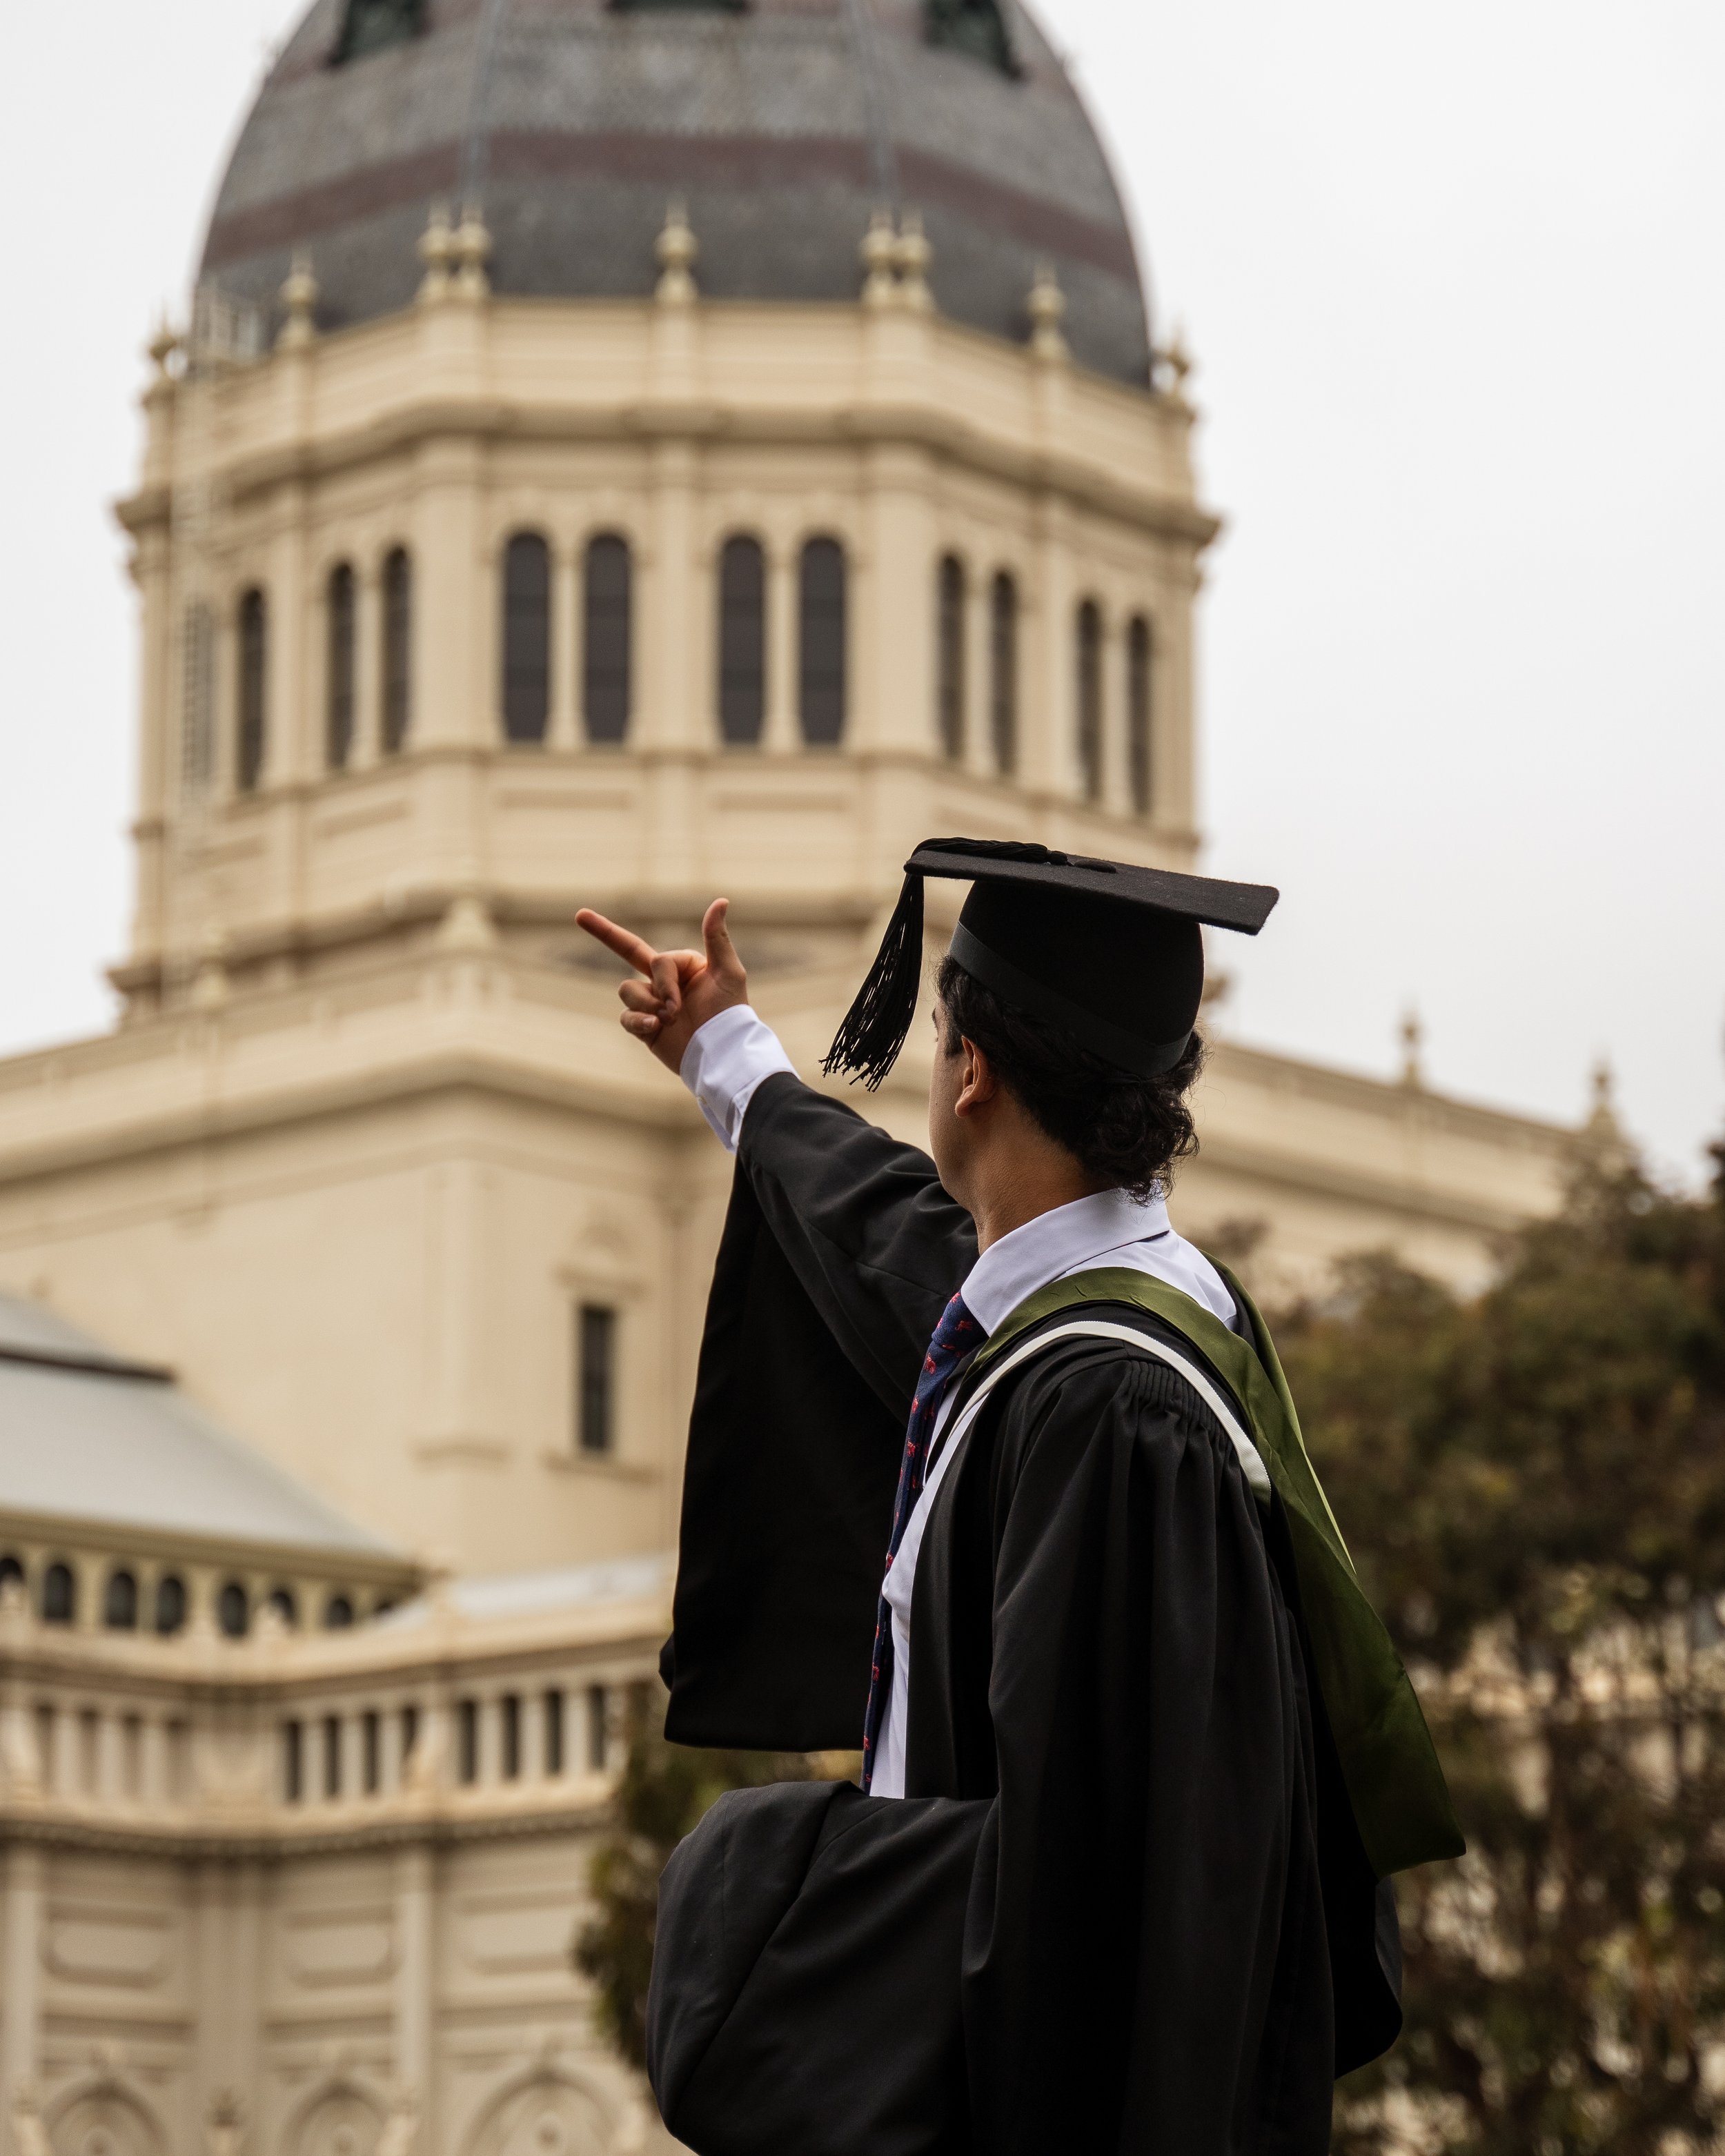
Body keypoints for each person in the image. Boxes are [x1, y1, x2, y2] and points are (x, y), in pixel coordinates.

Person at [578, 839, 1460, 2156]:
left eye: (938, 1035)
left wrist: (764, 1885)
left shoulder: (1107, 1410)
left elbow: (1081, 1889)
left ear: (971, 1070)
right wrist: (731, 1058)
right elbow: (877, 1226)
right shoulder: (1098, 1316)